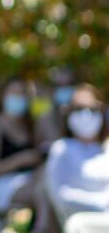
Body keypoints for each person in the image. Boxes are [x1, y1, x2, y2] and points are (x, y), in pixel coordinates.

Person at [0, 78, 46, 233]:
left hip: (31, 181)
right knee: (47, 191)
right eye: (13, 93)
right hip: (1, 186)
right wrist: (20, 160)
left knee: (46, 182)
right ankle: (43, 232)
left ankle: (43, 231)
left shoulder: (30, 126)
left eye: (22, 94)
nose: (18, 98)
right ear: (3, 96)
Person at [45, 84, 109, 221]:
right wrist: (102, 204)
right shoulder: (62, 149)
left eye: (93, 109)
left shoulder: (106, 149)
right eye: (79, 109)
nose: (86, 115)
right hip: (87, 228)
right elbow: (61, 196)